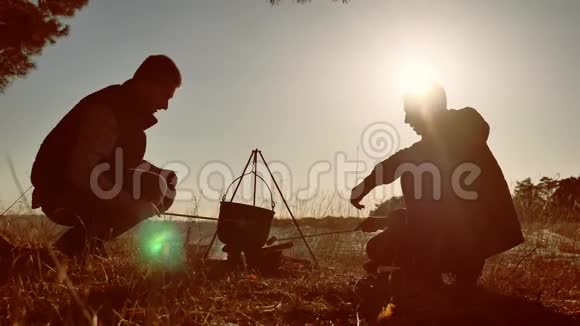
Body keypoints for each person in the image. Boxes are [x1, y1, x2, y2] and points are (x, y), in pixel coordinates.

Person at [351, 83, 524, 290]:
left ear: (427, 111)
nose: (406, 121)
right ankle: (432, 270)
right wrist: (382, 217)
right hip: (465, 242)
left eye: (409, 113)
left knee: (376, 248)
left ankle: (420, 270)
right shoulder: (455, 138)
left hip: (453, 243)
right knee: (384, 242)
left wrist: (363, 189)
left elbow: (397, 164)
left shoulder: (445, 142)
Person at [28, 54, 182, 257]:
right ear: (148, 84)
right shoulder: (105, 111)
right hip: (59, 192)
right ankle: (75, 248)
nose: (165, 106)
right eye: (165, 95)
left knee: (164, 185)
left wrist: (159, 172)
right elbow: (82, 172)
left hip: (81, 186)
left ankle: (82, 244)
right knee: (154, 187)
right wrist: (133, 205)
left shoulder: (128, 113)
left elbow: (121, 162)